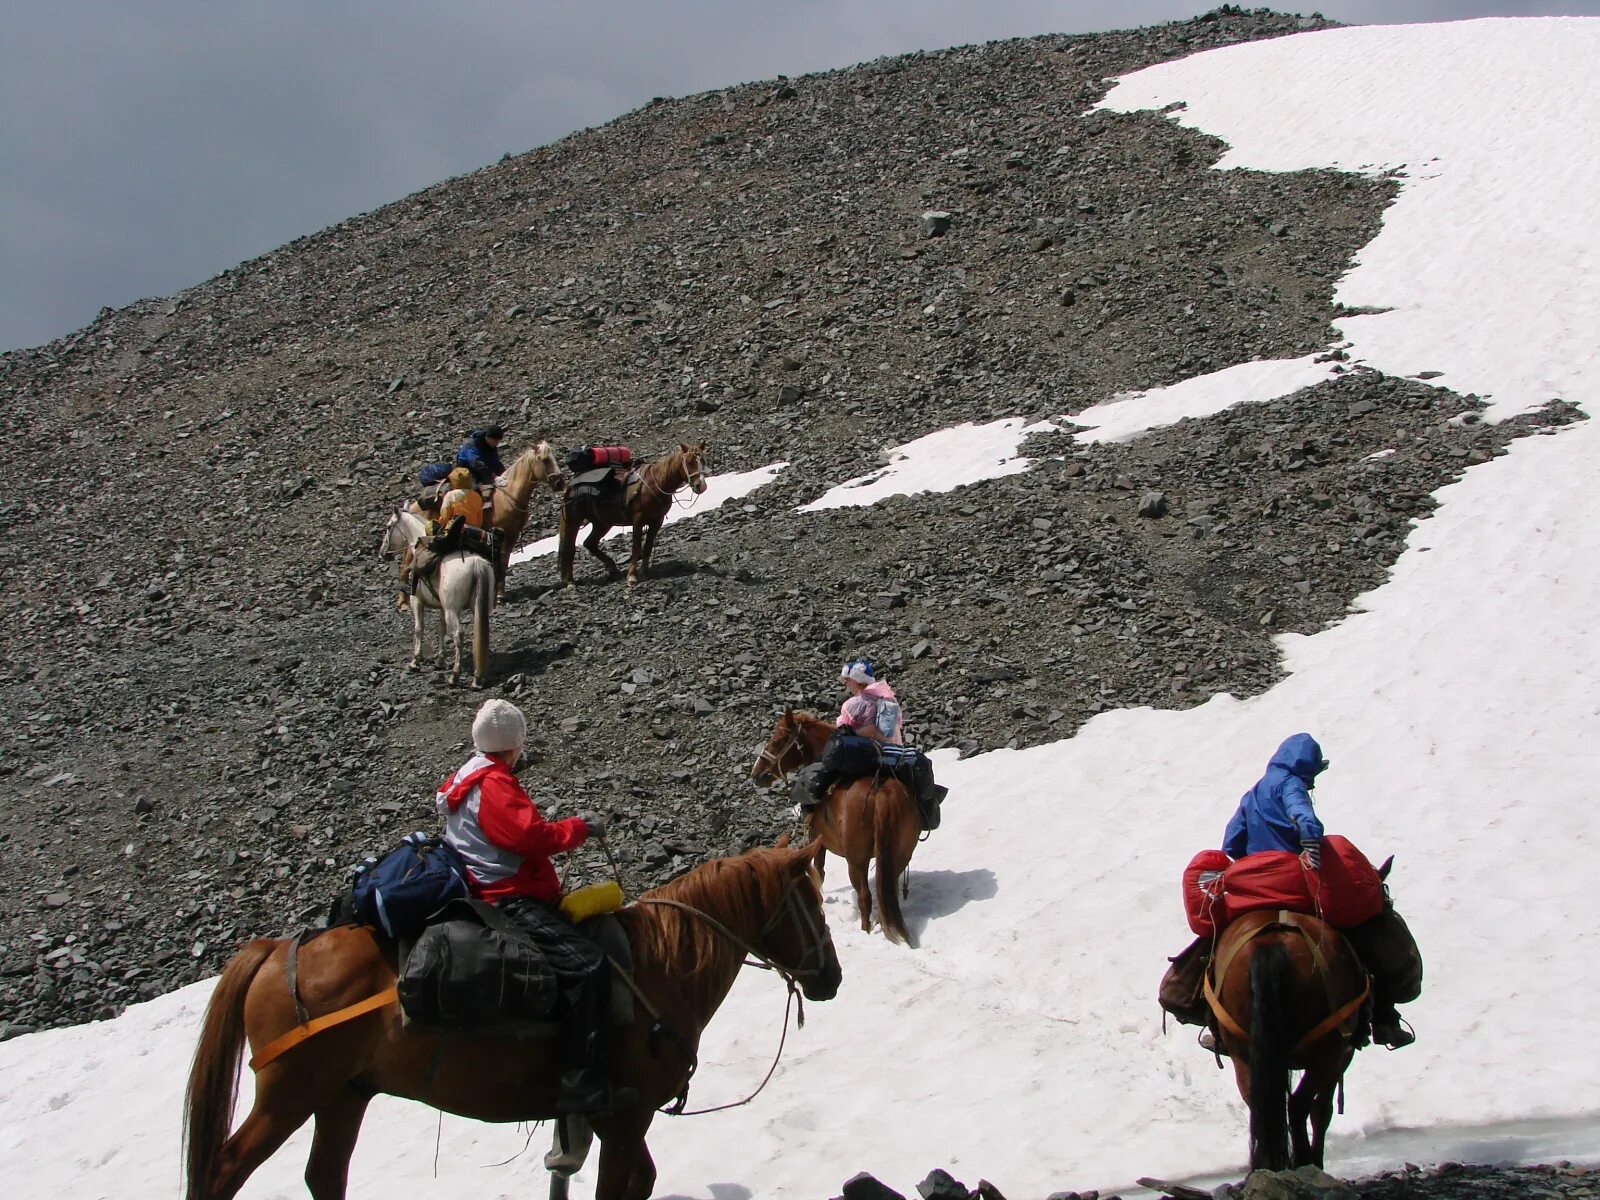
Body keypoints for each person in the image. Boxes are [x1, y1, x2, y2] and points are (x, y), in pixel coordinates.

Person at [436, 699, 635, 1114]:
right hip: (508, 898)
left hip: (486, 891)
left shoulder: (465, 778)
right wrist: (578, 828)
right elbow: (528, 836)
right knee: (588, 967)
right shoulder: (495, 784)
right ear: (514, 744)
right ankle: (583, 1086)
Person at [1163, 733, 1421, 1051]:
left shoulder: (1253, 793)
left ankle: (1213, 1019)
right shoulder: (1290, 784)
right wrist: (1310, 844)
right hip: (1295, 880)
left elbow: (1231, 843)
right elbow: (1305, 817)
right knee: (1357, 932)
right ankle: (1383, 1017)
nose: (1312, 783)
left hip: (1251, 887)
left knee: (1217, 942)